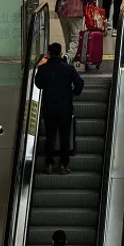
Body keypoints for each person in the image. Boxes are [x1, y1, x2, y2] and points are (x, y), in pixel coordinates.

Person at [34, 43, 84, 174]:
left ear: (49, 53)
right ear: (61, 53)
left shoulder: (43, 69)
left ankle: (49, 164)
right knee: (64, 137)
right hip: (65, 108)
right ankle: (64, 165)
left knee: (50, 136)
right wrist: (74, 93)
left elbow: (38, 84)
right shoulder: (68, 68)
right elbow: (79, 83)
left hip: (49, 108)